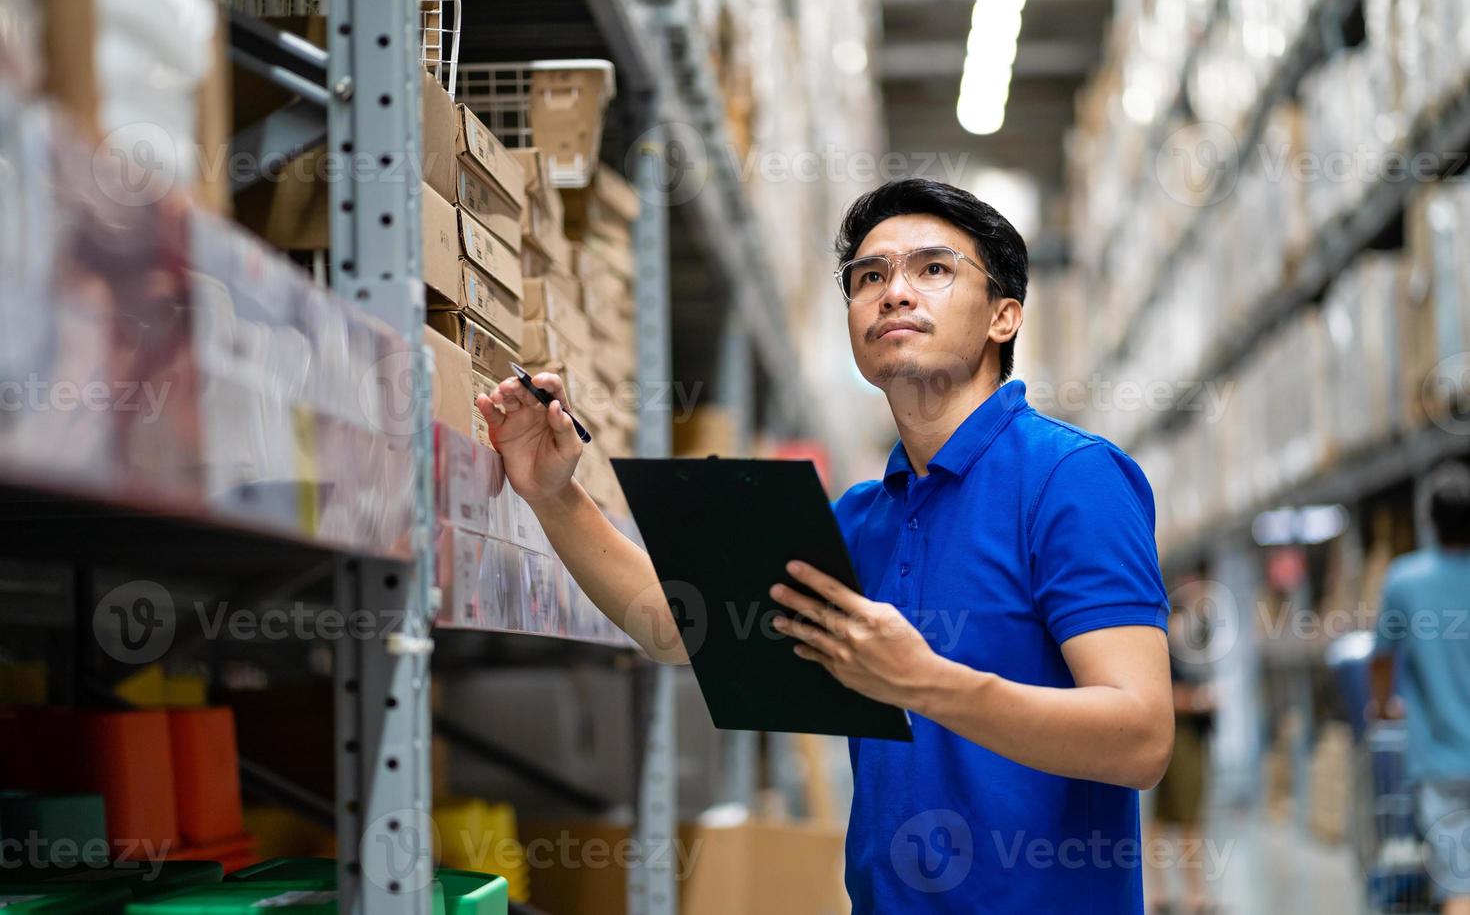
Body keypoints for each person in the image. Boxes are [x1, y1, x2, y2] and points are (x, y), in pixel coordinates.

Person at [476, 177, 1174, 912]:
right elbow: (676, 625)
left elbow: (1140, 739)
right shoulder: (862, 519)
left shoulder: (1070, 480)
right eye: (869, 277)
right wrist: (554, 494)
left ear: (1004, 316)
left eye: (933, 269)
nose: (894, 293)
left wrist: (923, 681)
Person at [1370, 460, 1470, 915]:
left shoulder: (1405, 581)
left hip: (1443, 762)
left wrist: (1384, 705)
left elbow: (1382, 657)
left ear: (1428, 519)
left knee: (1457, 885)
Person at [1146, 578, 1219, 915]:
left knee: (1168, 818)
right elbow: (1163, 694)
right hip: (1181, 737)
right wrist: (1198, 701)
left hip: (1190, 736)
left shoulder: (1192, 646)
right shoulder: (1167, 644)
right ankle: (1194, 894)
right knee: (1187, 818)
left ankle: (1167, 892)